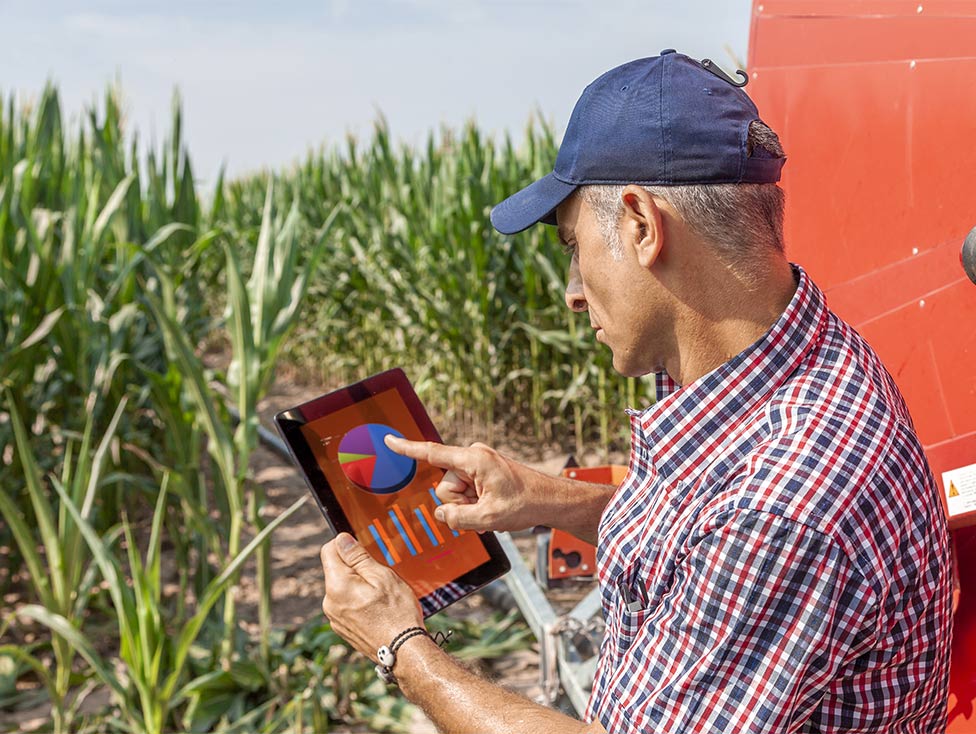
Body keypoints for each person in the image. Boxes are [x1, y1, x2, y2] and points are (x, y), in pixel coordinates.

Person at [318, 50, 953, 732]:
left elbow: (744, 534)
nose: (570, 292)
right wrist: (542, 499)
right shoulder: (800, 355)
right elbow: (695, 537)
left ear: (642, 225)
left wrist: (402, 648)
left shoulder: (781, 509)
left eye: (573, 245)